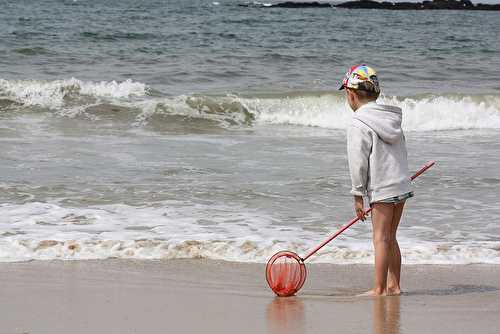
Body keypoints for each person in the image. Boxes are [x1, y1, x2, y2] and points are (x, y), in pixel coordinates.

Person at [340, 64, 412, 296]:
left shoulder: (359, 122)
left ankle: (379, 288)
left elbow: (357, 161)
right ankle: (394, 285)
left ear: (351, 94)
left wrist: (358, 195)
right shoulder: (391, 118)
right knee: (391, 236)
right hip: (401, 183)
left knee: (380, 238)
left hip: (382, 187)